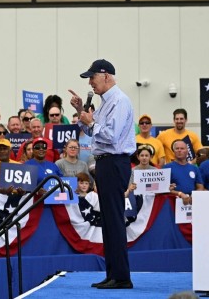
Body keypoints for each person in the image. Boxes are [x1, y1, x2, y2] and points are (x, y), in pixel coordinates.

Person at [69, 58, 134, 289]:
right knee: (108, 220)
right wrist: (81, 113)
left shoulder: (119, 100)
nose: (90, 84)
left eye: (92, 78)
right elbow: (94, 132)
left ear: (106, 76)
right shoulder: (106, 102)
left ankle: (122, 277)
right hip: (106, 162)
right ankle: (113, 273)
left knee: (114, 220)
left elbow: (111, 136)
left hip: (115, 161)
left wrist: (91, 123)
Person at [164, 140, 205, 204]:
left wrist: (194, 195)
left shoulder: (194, 168)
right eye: (177, 148)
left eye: (182, 148)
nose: (179, 150)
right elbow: (163, 189)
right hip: (172, 203)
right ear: (174, 151)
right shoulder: (166, 168)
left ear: (187, 151)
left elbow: (200, 187)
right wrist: (179, 193)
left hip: (191, 203)